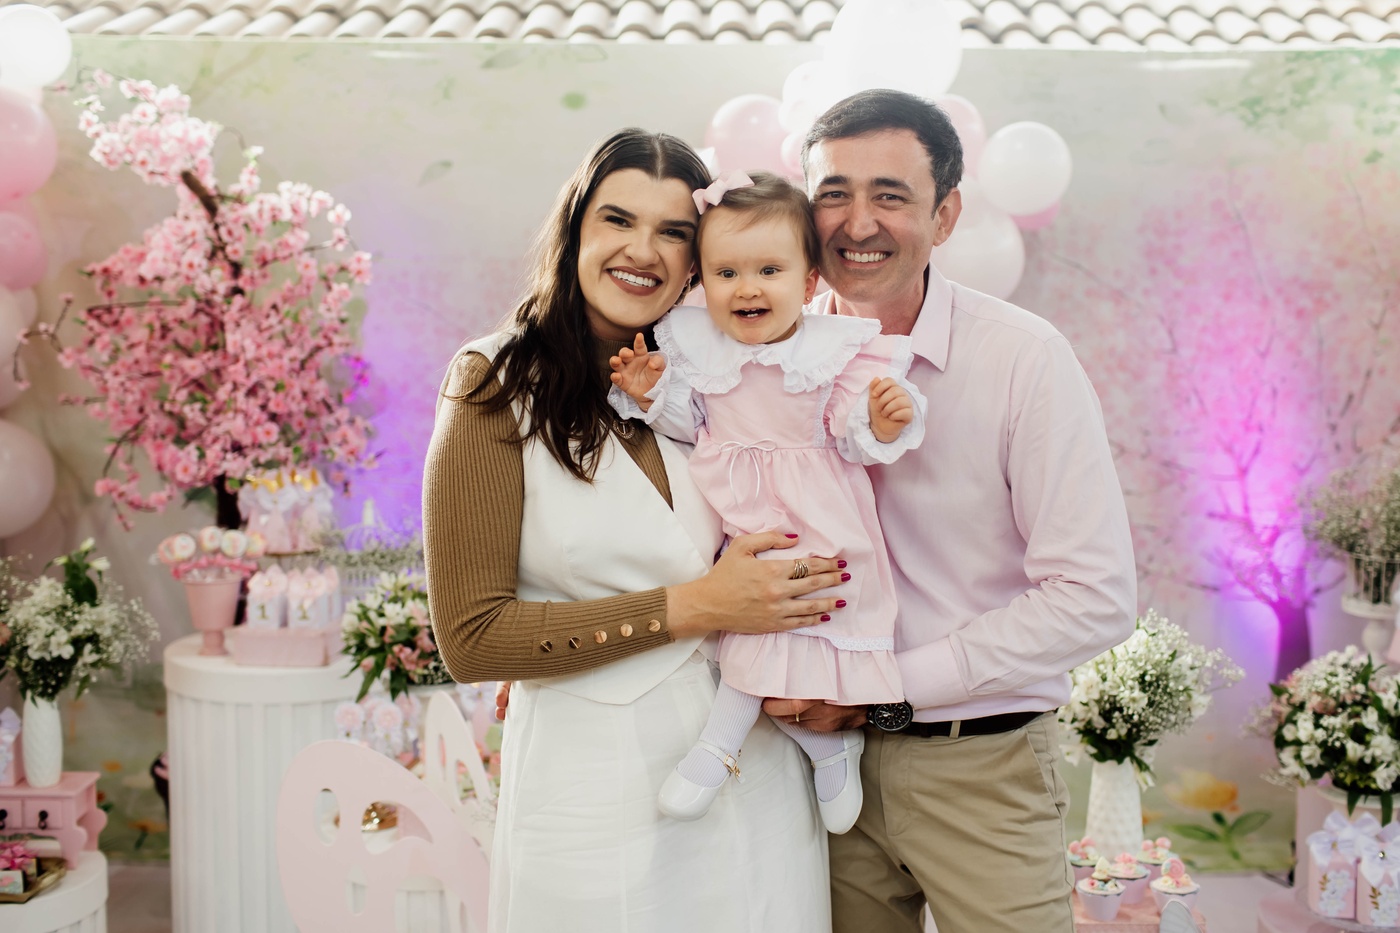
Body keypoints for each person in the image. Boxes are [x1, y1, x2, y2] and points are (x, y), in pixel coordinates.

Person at [422, 129, 841, 933]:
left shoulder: (722, 375)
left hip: (759, 779)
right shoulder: (494, 381)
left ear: (697, 258)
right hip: (599, 797)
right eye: (617, 219)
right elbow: (472, 638)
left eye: (673, 231)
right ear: (575, 227)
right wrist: (696, 605)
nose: (642, 250)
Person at [761, 89, 1138, 933]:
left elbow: (1096, 595)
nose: (858, 222)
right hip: (813, 768)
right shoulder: (768, 354)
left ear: (947, 214)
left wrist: (882, 689)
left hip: (981, 765)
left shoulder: (1023, 359)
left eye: (890, 195)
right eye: (833, 193)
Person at [607, 170, 924, 835]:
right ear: (702, 282)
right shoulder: (702, 352)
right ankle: (823, 747)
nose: (747, 288)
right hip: (746, 528)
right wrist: (650, 395)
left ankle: (719, 748)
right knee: (755, 639)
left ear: (808, 283)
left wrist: (879, 419)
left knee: (775, 633)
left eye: (769, 270)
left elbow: (851, 434)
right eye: (726, 273)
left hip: (819, 527)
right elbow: (690, 428)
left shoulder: (829, 355)